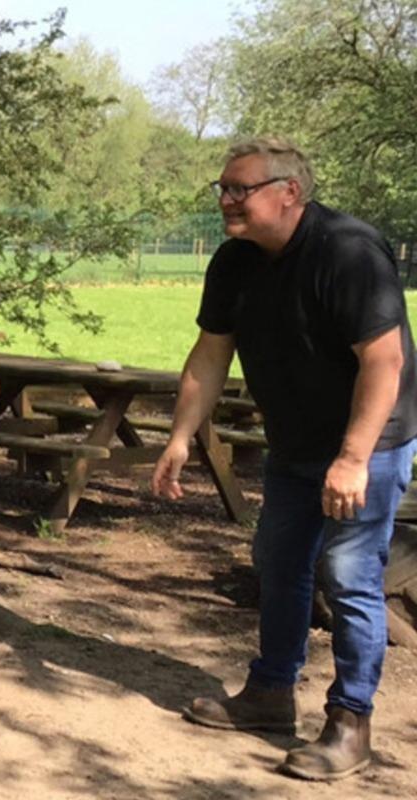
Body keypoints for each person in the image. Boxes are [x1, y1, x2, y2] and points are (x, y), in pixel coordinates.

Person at [152, 137, 416, 782]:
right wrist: (181, 436)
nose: (225, 200)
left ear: (289, 191)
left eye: (239, 189)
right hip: (295, 443)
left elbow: (384, 363)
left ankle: (351, 723)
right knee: (278, 563)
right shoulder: (234, 261)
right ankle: (270, 693)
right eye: (222, 188)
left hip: (370, 441)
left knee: (348, 574)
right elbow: (210, 353)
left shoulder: (348, 252)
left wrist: (352, 458)